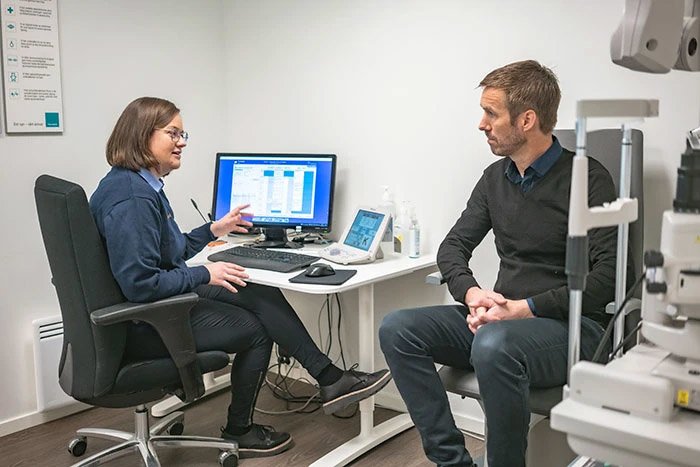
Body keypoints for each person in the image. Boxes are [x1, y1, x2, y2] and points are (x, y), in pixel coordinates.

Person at [89, 96, 392, 459]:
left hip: (153, 307)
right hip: (145, 322)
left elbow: (167, 252)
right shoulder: (132, 199)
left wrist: (213, 230)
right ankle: (241, 430)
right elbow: (140, 285)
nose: (182, 142)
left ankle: (331, 379)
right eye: (173, 133)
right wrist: (205, 272)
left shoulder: (138, 185)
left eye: (183, 134)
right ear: (142, 135)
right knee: (255, 329)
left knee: (250, 288)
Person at [379, 60, 625, 467]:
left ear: (527, 120)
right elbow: (452, 248)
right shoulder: (495, 178)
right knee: (398, 329)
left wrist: (523, 309)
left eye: (491, 113)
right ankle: (452, 462)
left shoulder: (588, 179)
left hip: (571, 327)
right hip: (502, 323)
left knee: (493, 344)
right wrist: (474, 295)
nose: (482, 124)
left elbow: (610, 277)